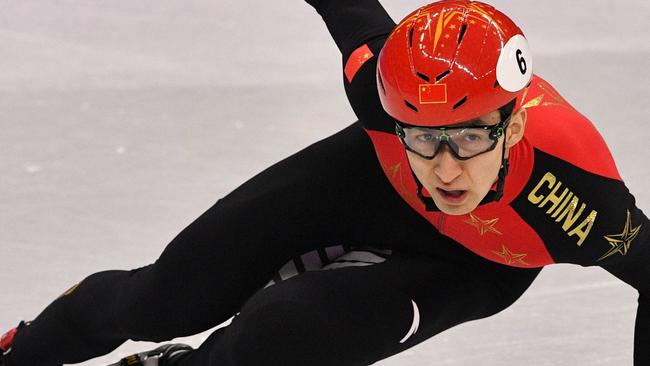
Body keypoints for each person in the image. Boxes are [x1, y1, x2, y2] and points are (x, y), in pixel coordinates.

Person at [1, 0, 648, 365]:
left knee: (282, 335)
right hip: (365, 184)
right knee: (163, 298)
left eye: (471, 137)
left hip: (474, 263)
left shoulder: (578, 198)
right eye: (423, 136)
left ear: (511, 128)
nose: (446, 167)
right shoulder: (382, 92)